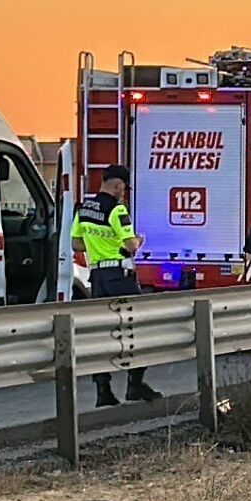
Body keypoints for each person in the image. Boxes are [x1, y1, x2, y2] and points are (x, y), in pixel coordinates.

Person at [74, 165, 160, 408]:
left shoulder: (84, 208)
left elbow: (76, 244)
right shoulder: (117, 209)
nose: (123, 193)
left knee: (103, 334)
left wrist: (98, 246)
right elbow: (130, 245)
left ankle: (103, 390)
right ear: (118, 185)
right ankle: (135, 384)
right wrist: (139, 240)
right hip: (120, 277)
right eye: (123, 188)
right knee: (137, 328)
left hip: (97, 278)